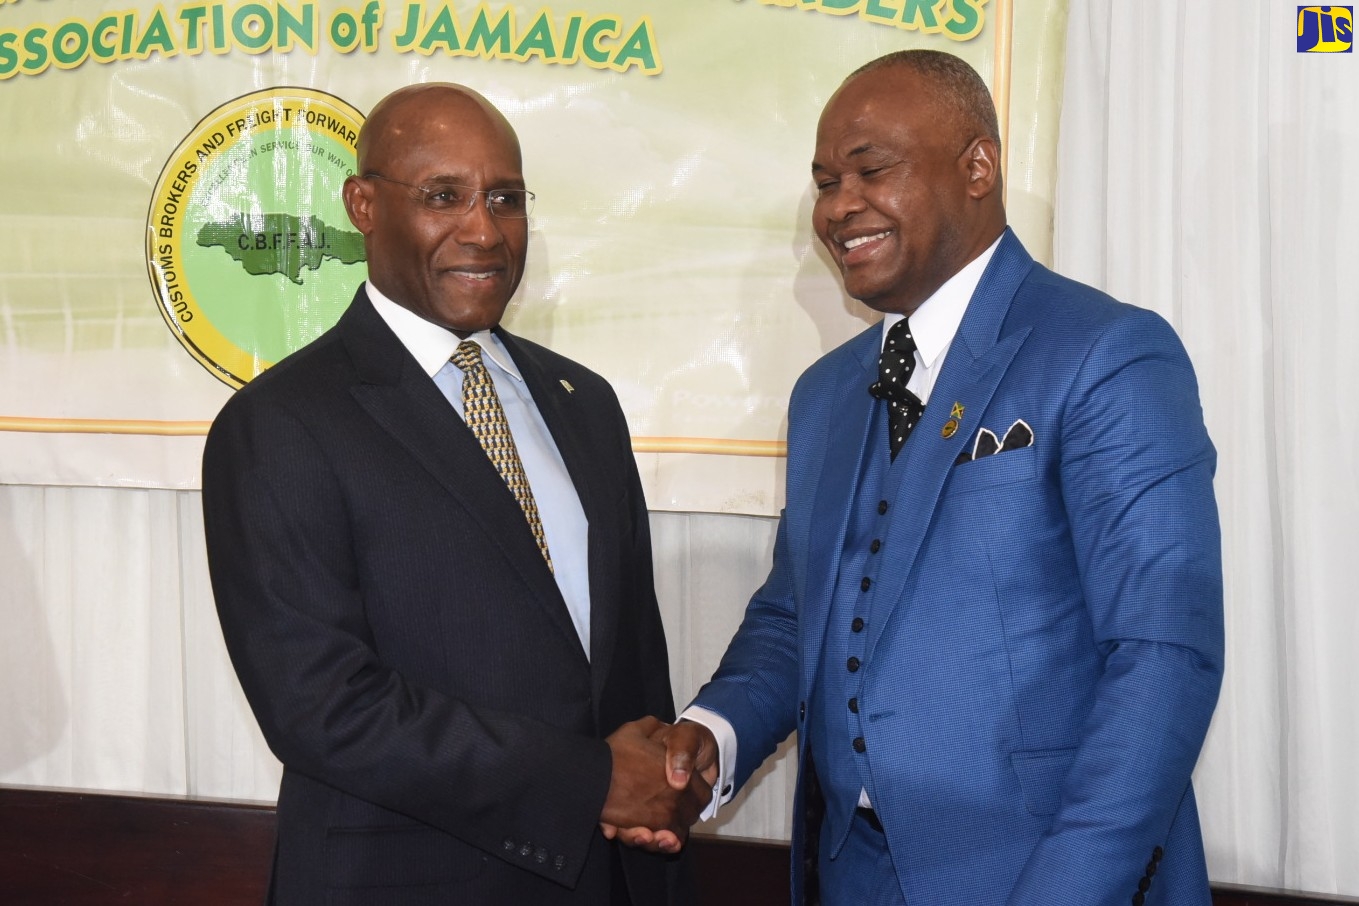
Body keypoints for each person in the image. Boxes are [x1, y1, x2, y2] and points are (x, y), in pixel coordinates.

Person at [651, 50, 1225, 905]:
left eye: (869, 169)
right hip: (854, 876)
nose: (840, 206)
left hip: (1046, 878)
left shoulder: (1106, 354)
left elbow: (1161, 655)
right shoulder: (824, 395)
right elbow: (796, 613)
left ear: (977, 166)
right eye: (823, 181)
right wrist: (712, 732)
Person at [202, 83, 702, 905]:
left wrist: (664, 782)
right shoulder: (280, 424)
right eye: (444, 197)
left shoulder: (585, 402)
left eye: (505, 198)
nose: (484, 229)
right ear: (362, 205)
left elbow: (631, 665)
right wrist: (587, 782)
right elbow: (321, 707)